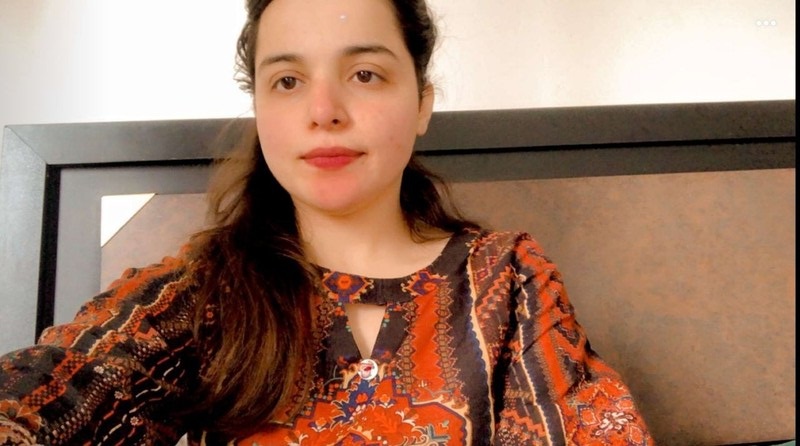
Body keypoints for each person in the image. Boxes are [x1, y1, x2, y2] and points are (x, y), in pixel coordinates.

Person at [0, 0, 654, 444]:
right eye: (287, 81)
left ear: (422, 104)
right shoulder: (199, 293)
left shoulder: (506, 281)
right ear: (260, 109)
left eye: (364, 74)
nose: (323, 110)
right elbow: (58, 391)